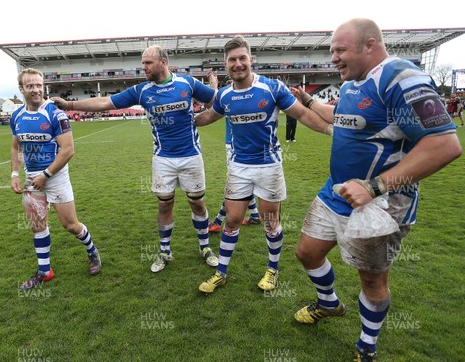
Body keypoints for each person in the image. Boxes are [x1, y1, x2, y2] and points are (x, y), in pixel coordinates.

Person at [289, 18, 461, 362]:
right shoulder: (354, 83)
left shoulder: (401, 77)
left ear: (370, 45)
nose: (333, 58)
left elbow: (444, 144)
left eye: (340, 50)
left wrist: (375, 186)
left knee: (371, 280)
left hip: (382, 204)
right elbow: (338, 117)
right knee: (307, 253)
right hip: (335, 192)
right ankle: (329, 304)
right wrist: (306, 101)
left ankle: (367, 346)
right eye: (332, 51)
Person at [52, 45, 219, 273]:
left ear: (163, 62)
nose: (144, 68)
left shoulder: (187, 83)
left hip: (191, 156)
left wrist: (200, 118)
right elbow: (105, 103)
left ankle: (205, 247)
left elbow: (216, 103)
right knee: (164, 205)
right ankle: (164, 251)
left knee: (197, 202)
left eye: (148, 63)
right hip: (163, 159)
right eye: (142, 63)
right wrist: (70, 105)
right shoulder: (142, 91)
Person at [193, 36, 333, 294]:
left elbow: (301, 114)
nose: (238, 64)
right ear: (226, 64)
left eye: (242, 58)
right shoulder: (224, 95)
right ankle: (221, 272)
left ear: (250, 59)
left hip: (269, 167)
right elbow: (208, 116)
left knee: (270, 222)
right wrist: (183, 120)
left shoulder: (271, 88)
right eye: (232, 60)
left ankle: (272, 270)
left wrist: (330, 130)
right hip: (238, 168)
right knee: (232, 221)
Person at [10, 68, 101, 291]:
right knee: (37, 225)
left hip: (55, 176)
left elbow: (68, 150)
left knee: (69, 225)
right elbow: (16, 146)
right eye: (30, 86)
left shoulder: (55, 114)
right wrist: (14, 173)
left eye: (39, 85)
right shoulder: (16, 116)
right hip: (32, 178)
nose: (36, 89)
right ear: (21, 89)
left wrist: (46, 175)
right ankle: (44, 271)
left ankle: (92, 251)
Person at [208, 117, 262, 233]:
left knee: (235, 185)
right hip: (249, 144)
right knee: (245, 180)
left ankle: (218, 221)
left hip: (236, 145)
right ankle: (255, 215)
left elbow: (212, 109)